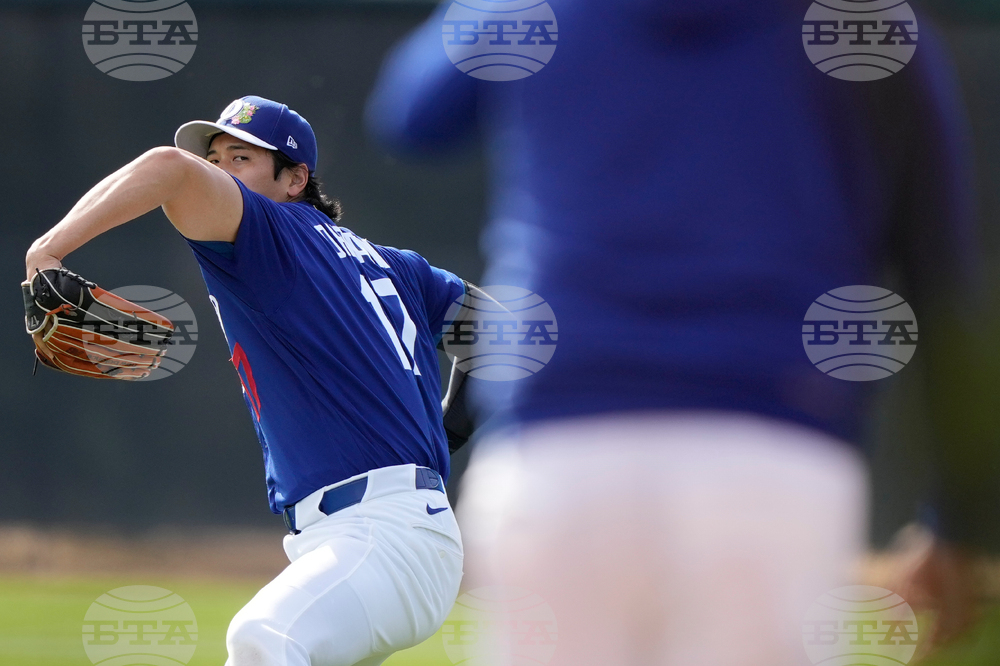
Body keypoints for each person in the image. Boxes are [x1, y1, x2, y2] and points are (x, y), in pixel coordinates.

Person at [366, 2, 985, 664]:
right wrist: (963, 517)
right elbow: (943, 280)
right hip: (773, 453)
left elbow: (411, 114)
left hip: (564, 450)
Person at [24, 95, 472, 666]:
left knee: (263, 638)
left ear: (295, 179)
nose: (218, 172)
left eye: (239, 158)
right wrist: (443, 435)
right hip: (378, 535)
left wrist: (48, 250)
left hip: (382, 539)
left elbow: (166, 167)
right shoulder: (397, 265)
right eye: (213, 158)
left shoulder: (270, 236)